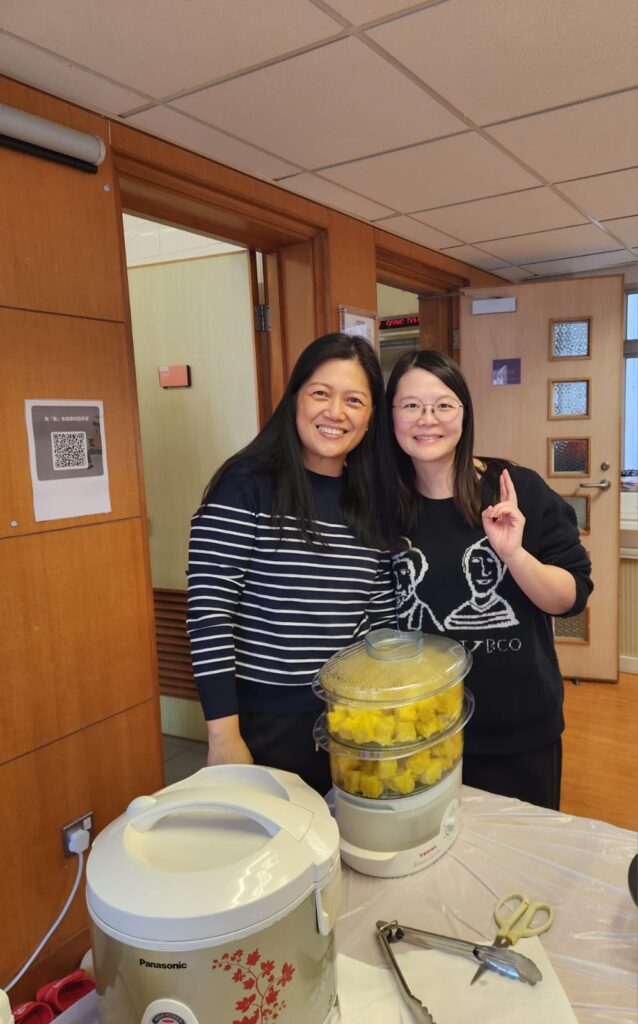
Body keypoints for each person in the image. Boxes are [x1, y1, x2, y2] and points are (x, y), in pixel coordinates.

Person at [187, 333, 397, 794]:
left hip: (352, 721)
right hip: (264, 723)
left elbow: (381, 621)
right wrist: (223, 736)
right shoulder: (246, 485)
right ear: (295, 399)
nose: (335, 412)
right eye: (320, 393)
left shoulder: (373, 500)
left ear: (371, 418)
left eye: (354, 400)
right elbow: (209, 613)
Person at [386, 349, 593, 809]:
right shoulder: (383, 505)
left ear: (464, 413)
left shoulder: (512, 489)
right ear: (392, 415)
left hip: (517, 730)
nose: (428, 419)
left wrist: (514, 554)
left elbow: (570, 597)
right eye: (411, 405)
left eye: (443, 405)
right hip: (420, 731)